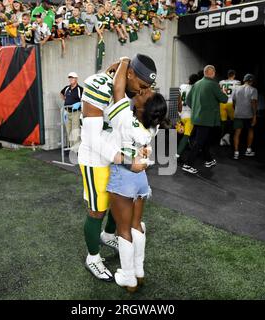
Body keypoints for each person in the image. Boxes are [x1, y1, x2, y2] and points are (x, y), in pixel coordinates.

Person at [78, 54, 157, 282]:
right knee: (98, 210)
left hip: (119, 156)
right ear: (129, 74)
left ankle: (108, 235)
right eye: (142, 86)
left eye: (147, 87)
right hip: (96, 159)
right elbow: (93, 138)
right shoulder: (98, 85)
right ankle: (93, 257)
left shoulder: (132, 89)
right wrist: (125, 160)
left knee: (120, 204)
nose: (143, 91)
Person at [105, 58, 168, 291]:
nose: (143, 91)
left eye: (145, 94)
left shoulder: (125, 118)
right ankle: (139, 272)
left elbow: (118, 89)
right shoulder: (153, 125)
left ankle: (128, 277)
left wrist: (123, 62)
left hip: (123, 177)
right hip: (142, 181)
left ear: (142, 107)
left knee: (123, 230)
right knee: (136, 225)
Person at [181, 65, 228, 174]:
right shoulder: (214, 85)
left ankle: (209, 160)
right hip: (207, 120)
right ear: (213, 73)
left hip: (197, 118)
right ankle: (188, 164)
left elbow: (188, 100)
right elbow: (224, 99)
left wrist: (197, 109)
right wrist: (224, 92)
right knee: (199, 142)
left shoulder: (196, 84)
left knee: (204, 141)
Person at [232, 73, 258, 160]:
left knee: (237, 133)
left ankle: (236, 153)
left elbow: (234, 102)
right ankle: (248, 150)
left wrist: (237, 109)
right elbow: (253, 103)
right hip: (249, 115)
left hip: (238, 114)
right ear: (252, 81)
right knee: (250, 131)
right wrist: (254, 116)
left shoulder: (236, 89)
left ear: (244, 80)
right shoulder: (253, 90)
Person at [176, 73, 199, 158]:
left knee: (181, 133)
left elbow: (178, 100)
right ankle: (177, 154)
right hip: (190, 115)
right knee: (187, 134)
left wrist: (179, 112)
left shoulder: (182, 86)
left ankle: (186, 146)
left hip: (182, 114)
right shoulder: (196, 89)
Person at [60, 72, 83, 149]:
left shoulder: (80, 89)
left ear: (76, 79)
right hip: (67, 112)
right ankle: (71, 148)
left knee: (75, 130)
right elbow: (61, 93)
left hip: (76, 113)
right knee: (68, 130)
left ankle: (76, 149)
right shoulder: (67, 88)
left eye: (72, 78)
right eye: (69, 78)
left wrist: (79, 103)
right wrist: (65, 100)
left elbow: (84, 100)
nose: (70, 79)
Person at [219, 69, 241, 146]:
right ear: (234, 75)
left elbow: (219, 91)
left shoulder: (221, 82)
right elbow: (238, 94)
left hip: (222, 103)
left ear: (228, 75)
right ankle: (227, 135)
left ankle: (222, 139)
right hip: (231, 103)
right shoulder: (237, 82)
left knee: (223, 122)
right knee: (233, 121)